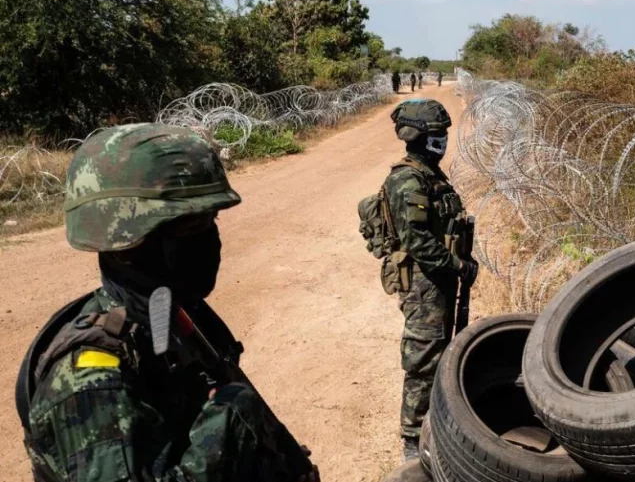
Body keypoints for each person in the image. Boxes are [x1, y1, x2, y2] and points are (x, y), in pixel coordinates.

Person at [16, 123, 319, 482]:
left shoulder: (167, 314)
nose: (211, 242)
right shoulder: (92, 381)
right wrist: (228, 423)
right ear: (128, 244)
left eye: (212, 222)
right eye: (191, 229)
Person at [380, 100, 478, 461]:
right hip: (424, 283)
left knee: (439, 352)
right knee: (423, 358)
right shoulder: (407, 179)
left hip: (439, 279)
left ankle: (433, 424)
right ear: (418, 137)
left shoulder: (430, 174)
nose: (442, 141)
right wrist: (458, 265)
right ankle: (411, 440)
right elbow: (417, 240)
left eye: (443, 134)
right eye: (437, 135)